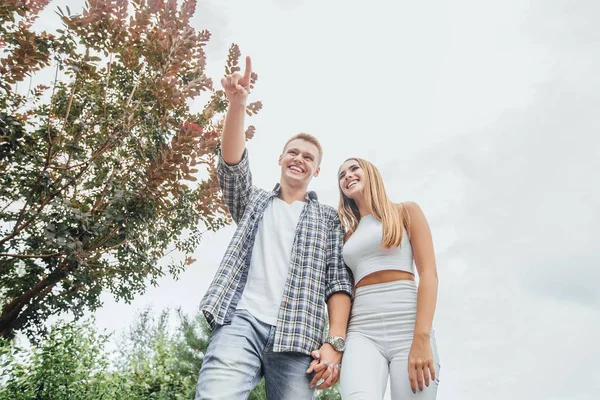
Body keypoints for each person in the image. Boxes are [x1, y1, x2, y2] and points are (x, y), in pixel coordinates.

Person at [195, 56, 354, 400]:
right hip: (240, 322)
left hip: (299, 337)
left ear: (317, 170)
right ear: (279, 159)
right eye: (293, 152)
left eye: (308, 157)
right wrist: (237, 104)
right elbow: (231, 166)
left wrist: (335, 343)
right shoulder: (253, 201)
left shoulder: (328, 219)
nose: (299, 159)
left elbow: (338, 282)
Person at [334, 157, 441, 399]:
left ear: (370, 173)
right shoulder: (347, 236)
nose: (347, 176)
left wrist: (421, 338)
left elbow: (429, 275)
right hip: (361, 331)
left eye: (353, 168)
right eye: (341, 175)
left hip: (408, 326)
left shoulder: (406, 212)